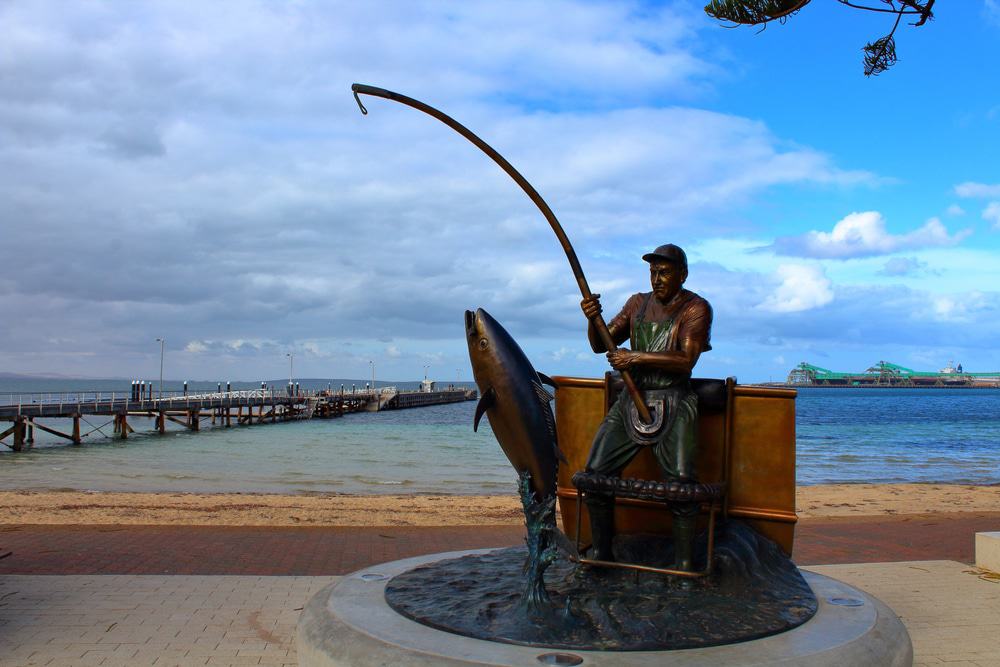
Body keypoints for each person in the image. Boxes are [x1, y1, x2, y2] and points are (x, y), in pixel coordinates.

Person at [579, 243, 712, 571]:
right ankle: (602, 553)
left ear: (682, 274)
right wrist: (591, 319)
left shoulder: (696, 308)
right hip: (631, 401)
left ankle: (683, 566)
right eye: (653, 272)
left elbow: (685, 360)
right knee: (594, 475)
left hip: (675, 401)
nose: (657, 279)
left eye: (664, 273)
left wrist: (634, 357)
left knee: (681, 487)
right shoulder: (637, 304)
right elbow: (600, 345)